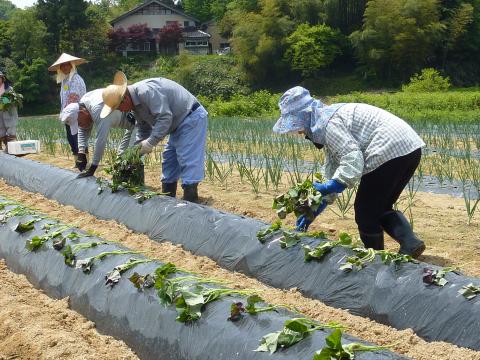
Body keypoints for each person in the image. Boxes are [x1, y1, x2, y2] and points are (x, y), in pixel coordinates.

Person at [273, 86, 426, 258]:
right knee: (379, 205)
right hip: (409, 148)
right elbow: (333, 167)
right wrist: (316, 206)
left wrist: (333, 185)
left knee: (365, 210)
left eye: (298, 125)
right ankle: (411, 243)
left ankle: (373, 258)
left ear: (305, 116)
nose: (300, 132)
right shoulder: (326, 119)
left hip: (387, 150)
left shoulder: (329, 124)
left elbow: (352, 158)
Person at [100, 71, 208, 203]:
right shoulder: (134, 106)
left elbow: (165, 117)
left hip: (190, 117)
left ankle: (191, 202)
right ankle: (168, 201)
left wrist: (150, 142)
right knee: (169, 161)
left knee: (187, 159)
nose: (121, 111)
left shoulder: (146, 92)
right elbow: (143, 128)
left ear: (125, 98)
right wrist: (135, 152)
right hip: (176, 125)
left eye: (119, 107)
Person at [60, 89, 135, 177]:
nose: (80, 125)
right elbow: (83, 129)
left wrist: (93, 167)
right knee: (121, 158)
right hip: (131, 124)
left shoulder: (98, 109)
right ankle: (126, 182)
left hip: (139, 119)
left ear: (82, 112)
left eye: (79, 123)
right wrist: (81, 151)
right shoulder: (84, 103)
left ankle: (135, 184)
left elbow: (101, 140)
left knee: (133, 155)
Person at [48, 53, 87, 167]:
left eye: (67, 65)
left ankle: (84, 161)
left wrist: (65, 113)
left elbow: (73, 97)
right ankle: (77, 161)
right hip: (69, 113)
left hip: (77, 112)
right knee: (71, 137)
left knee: (78, 137)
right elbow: (64, 99)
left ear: (72, 66)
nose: (65, 67)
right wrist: (63, 112)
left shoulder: (75, 79)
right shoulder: (65, 80)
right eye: (62, 66)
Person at [0, 71, 19, 152]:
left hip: (9, 112)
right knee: (1, 129)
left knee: (11, 128)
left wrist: (5, 100)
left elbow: (13, 100)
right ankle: (5, 147)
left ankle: (10, 148)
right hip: (0, 113)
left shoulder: (9, 89)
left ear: (3, 78)